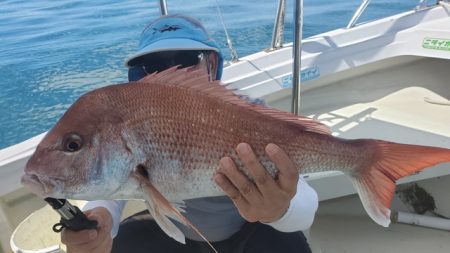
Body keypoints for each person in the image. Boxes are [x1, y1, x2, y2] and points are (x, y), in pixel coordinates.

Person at [61, 14, 318, 253]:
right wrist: (101, 215)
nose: (171, 73)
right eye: (154, 65)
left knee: (289, 239)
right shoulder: (131, 124)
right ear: (138, 76)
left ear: (211, 65)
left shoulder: (251, 115)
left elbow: (305, 203)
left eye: (187, 61)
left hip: (250, 229)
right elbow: (117, 175)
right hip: (174, 232)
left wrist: (280, 210)